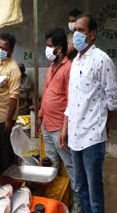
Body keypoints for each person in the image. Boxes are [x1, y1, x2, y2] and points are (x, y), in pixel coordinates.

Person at [59, 15, 117, 213]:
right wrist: (65, 129)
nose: (75, 34)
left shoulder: (102, 60)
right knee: (80, 187)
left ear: (92, 34)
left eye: (81, 30)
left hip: (93, 138)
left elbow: (114, 100)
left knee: (94, 192)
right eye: (74, 30)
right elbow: (72, 101)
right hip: (75, 137)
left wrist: (106, 125)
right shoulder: (75, 61)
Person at [38, 27, 79, 211]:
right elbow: (46, 92)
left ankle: (76, 200)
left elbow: (71, 101)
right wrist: (40, 115)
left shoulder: (69, 68)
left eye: (49, 46)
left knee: (70, 165)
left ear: (59, 49)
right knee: (51, 162)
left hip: (59, 128)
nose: (47, 50)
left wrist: (65, 129)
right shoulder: (51, 67)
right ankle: (55, 198)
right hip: (47, 124)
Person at [0, 33, 21, 174]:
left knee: (6, 148)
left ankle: (9, 176)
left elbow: (13, 97)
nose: (1, 50)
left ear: (11, 50)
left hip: (5, 117)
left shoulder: (13, 69)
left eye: (4, 48)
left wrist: (9, 121)